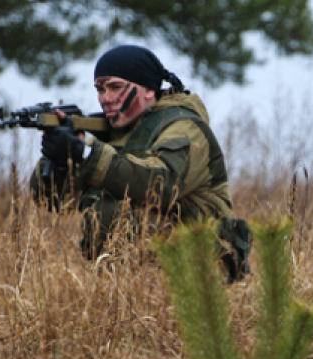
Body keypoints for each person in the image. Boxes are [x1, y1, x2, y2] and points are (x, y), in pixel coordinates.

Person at [30, 44, 251, 280]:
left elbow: (160, 185)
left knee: (114, 210)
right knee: (106, 208)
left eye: (116, 87)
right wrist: (62, 162)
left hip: (204, 266)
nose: (105, 99)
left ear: (148, 90)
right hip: (149, 274)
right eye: (100, 89)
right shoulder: (118, 133)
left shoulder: (185, 128)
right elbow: (55, 202)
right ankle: (119, 298)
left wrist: (85, 154)